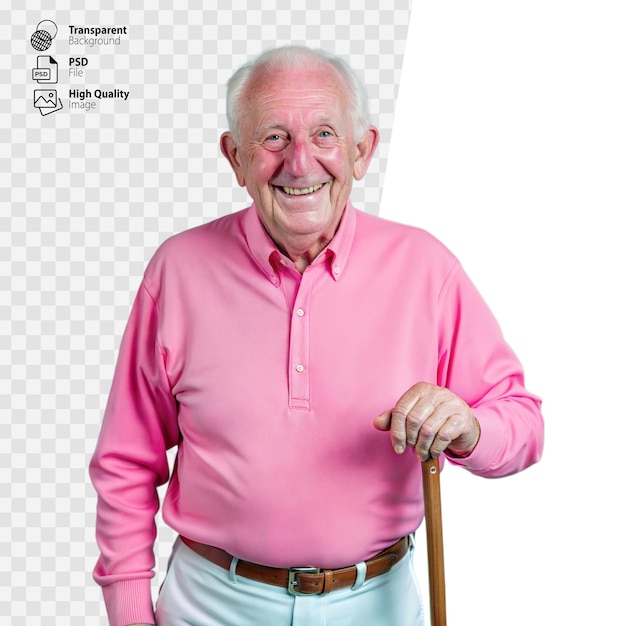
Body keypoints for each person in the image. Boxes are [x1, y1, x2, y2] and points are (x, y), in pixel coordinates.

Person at [90, 46, 544, 626]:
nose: (300, 164)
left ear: (361, 151)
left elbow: (526, 426)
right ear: (236, 159)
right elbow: (126, 463)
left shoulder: (426, 268)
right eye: (273, 138)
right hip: (211, 604)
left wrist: (471, 428)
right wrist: (129, 618)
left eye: (324, 135)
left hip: (376, 603)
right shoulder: (177, 271)